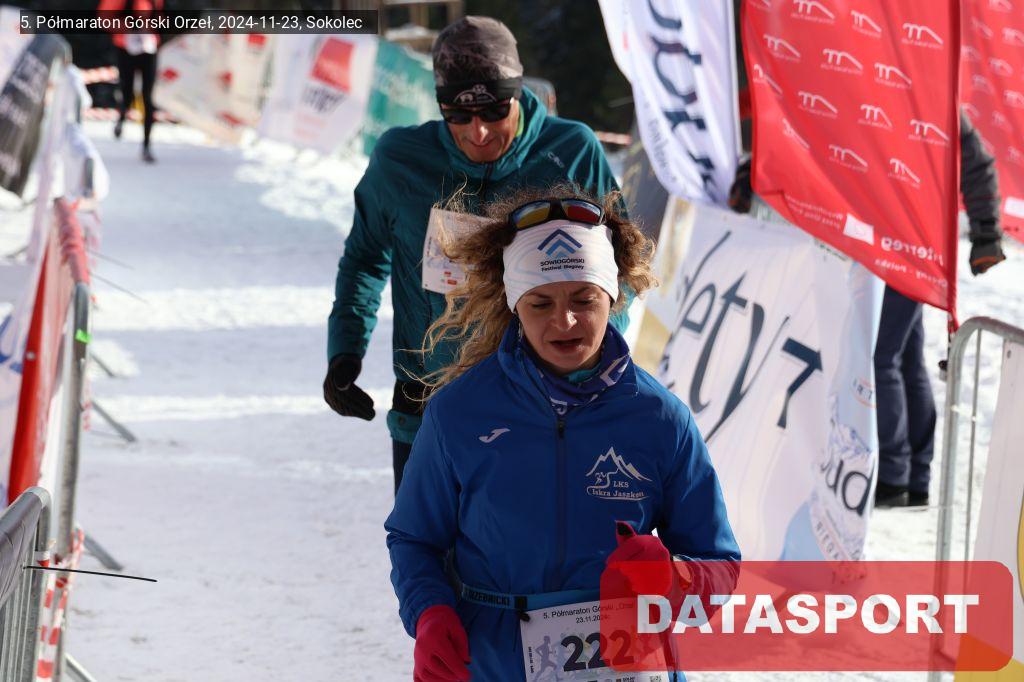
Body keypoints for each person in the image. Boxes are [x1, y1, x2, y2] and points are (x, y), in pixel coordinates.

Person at [385, 187, 741, 679]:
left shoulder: (661, 419)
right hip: (495, 662)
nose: (565, 320)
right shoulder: (460, 413)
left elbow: (719, 565)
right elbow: (414, 538)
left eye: (583, 299)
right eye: (540, 303)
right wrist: (430, 612)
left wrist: (675, 578)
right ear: (514, 304)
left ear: (612, 296)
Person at [323, 16, 624, 495]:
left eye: (494, 110)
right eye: (458, 115)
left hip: (539, 410)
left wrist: (594, 370)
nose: (478, 131)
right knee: (422, 543)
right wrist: (345, 351)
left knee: (522, 544)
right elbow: (365, 258)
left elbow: (619, 268)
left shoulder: (570, 151)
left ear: (518, 94)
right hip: (426, 408)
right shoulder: (402, 160)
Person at [873, 111, 1007, 508]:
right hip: (890, 239)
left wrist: (986, 233)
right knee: (905, 355)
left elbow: (977, 162)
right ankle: (914, 476)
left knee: (883, 356)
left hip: (911, 244)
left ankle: (894, 474)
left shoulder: (934, 96)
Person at [99, 0, 162, 163]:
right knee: (127, 91)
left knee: (148, 97)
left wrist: (152, 26)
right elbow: (104, 18)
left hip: (148, 48)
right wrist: (127, 26)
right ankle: (121, 117)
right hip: (125, 47)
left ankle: (146, 145)